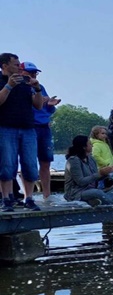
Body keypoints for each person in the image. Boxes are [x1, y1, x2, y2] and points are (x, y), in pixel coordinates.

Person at [0, 52, 49, 212]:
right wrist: (9, 86)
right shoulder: (2, 81)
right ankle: (6, 199)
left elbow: (38, 106)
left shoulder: (25, 82)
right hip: (6, 128)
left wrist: (37, 89)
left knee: (29, 164)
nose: (19, 67)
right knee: (7, 164)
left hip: (28, 128)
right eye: (15, 64)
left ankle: (29, 198)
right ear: (5, 65)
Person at [22, 62, 61, 205]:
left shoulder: (40, 87)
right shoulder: (20, 87)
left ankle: (47, 195)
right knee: (28, 162)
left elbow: (46, 108)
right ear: (22, 72)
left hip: (44, 128)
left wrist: (50, 104)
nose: (33, 75)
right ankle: (28, 196)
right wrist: (41, 101)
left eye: (35, 73)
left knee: (45, 162)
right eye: (30, 72)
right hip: (30, 127)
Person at [64, 135, 113, 206]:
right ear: (84, 147)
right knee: (97, 192)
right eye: (89, 144)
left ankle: (93, 201)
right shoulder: (73, 160)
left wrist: (107, 173)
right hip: (77, 192)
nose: (92, 145)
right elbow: (80, 182)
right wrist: (100, 173)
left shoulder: (91, 159)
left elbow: (96, 178)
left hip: (92, 189)